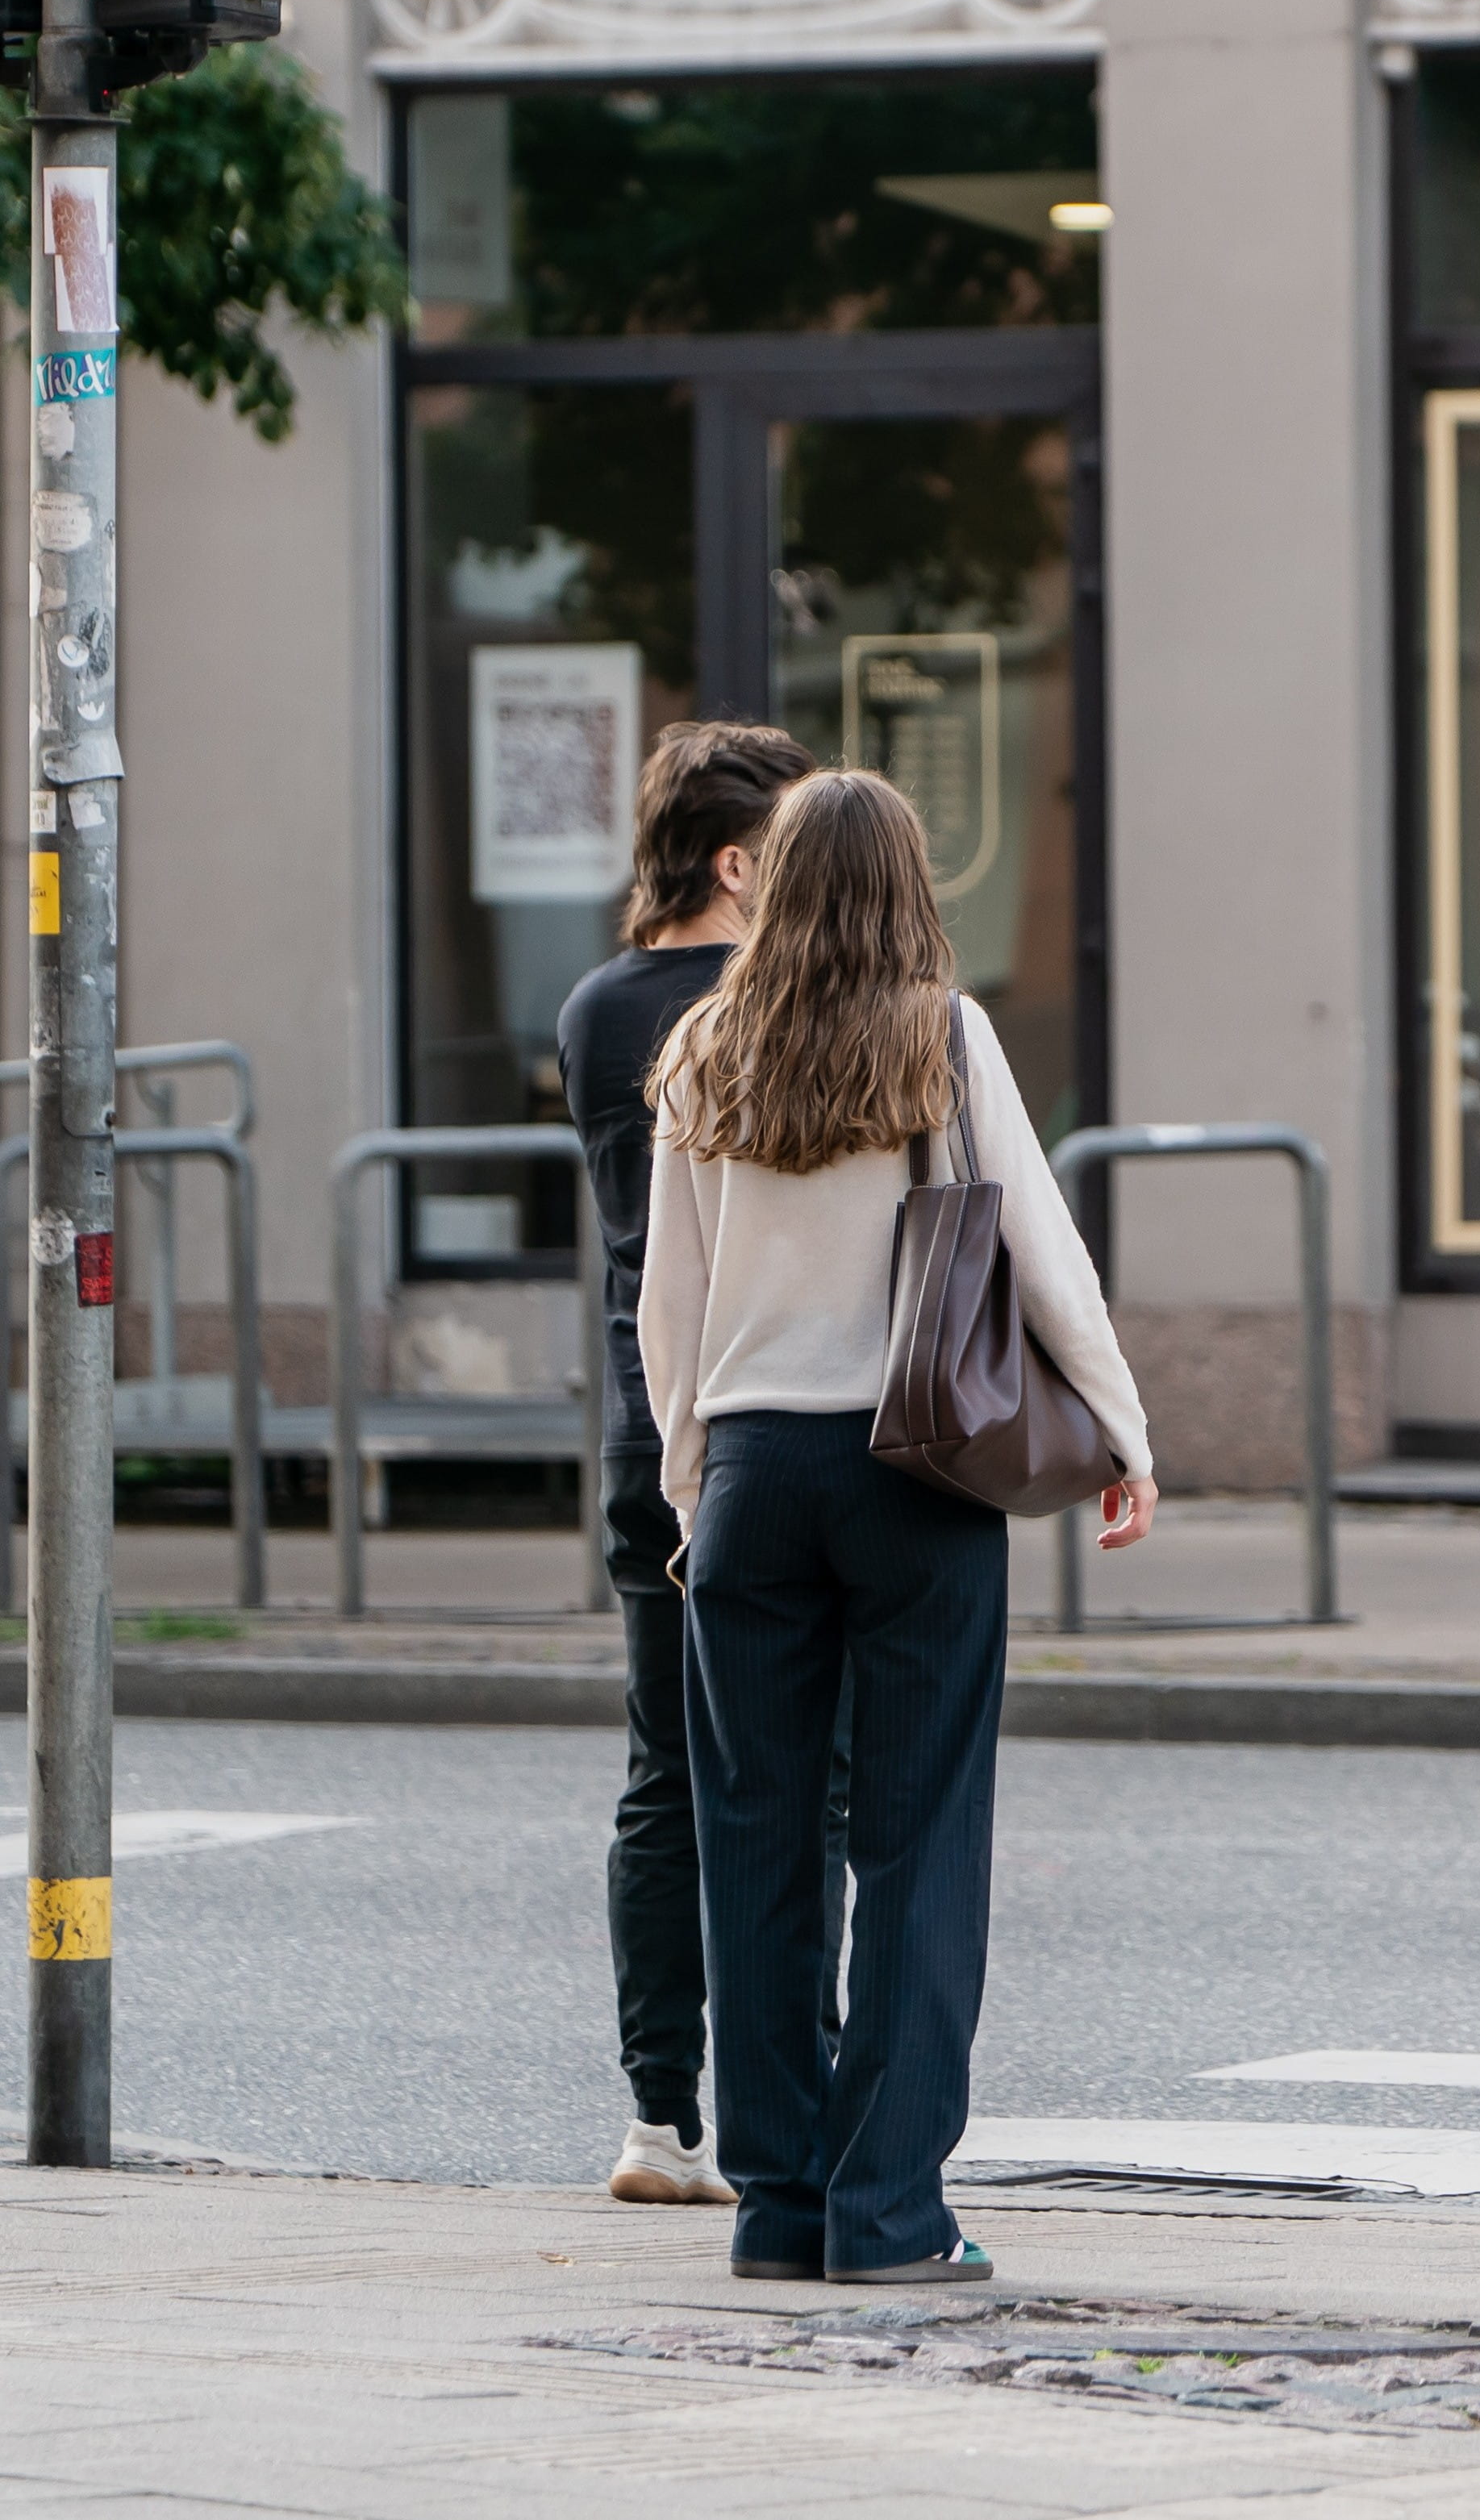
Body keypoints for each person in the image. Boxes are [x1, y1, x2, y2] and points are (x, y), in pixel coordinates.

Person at [641, 768, 1156, 2285]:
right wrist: (1118, 1422)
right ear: (906, 884)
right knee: (921, 1839)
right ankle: (887, 2213)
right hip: (911, 1471)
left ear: (777, 881)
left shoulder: (702, 1045)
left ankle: (778, 2203)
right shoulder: (939, 1031)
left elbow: (664, 1309)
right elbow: (1033, 1238)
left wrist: (691, 1484)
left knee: (756, 1847)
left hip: (748, 1475)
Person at [559, 720, 819, 2209]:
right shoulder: (756, 1005)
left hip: (641, 1426)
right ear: (736, 862)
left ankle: (663, 2118)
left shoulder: (598, 1006)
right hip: (774, 1417)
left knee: (665, 1775)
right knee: (814, 1779)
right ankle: (808, 2100)